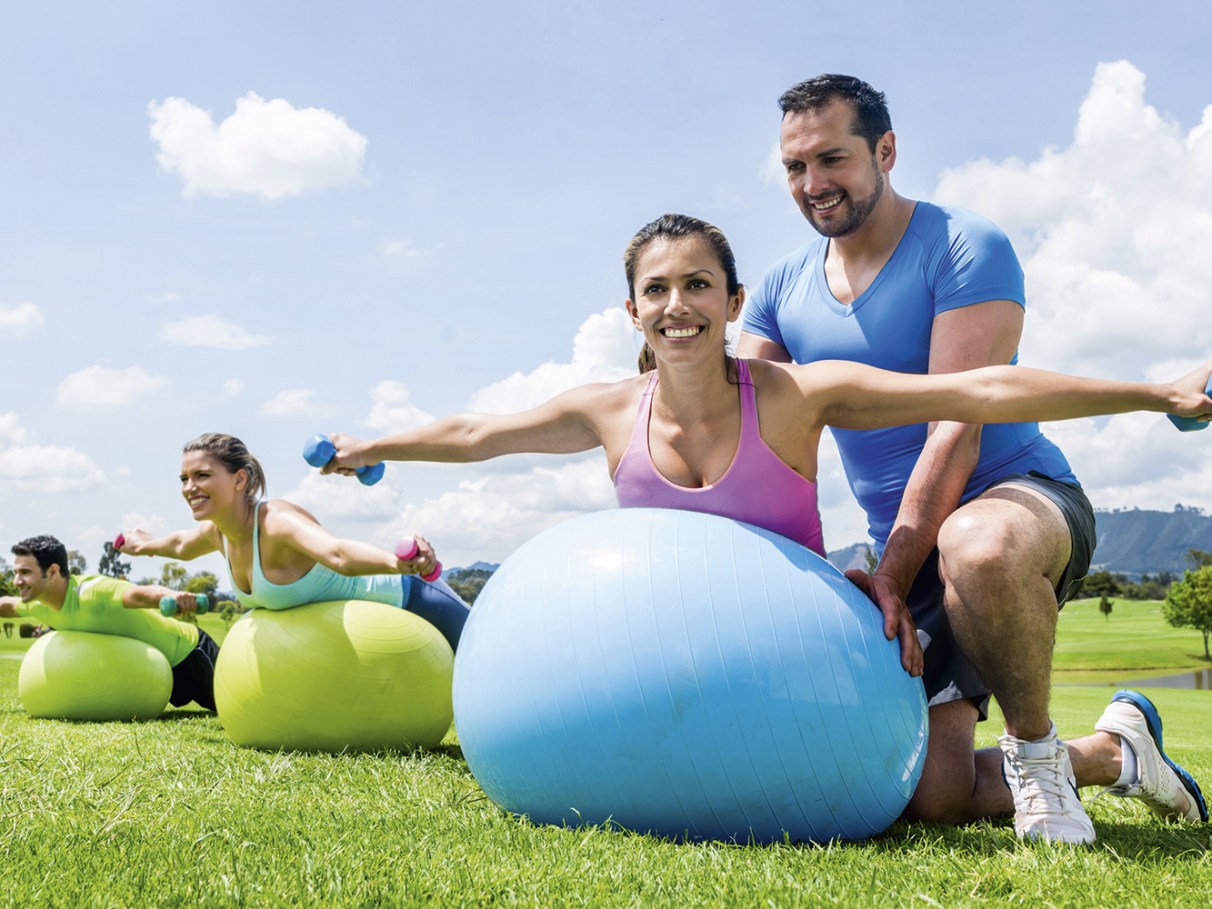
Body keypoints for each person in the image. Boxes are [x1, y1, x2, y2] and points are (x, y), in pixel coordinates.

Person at [318, 212, 1209, 845]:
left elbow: (978, 390)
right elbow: (477, 433)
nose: (678, 306)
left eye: (698, 284)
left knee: (927, 799)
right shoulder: (607, 410)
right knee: (922, 798)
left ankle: (1107, 750)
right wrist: (371, 442)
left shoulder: (794, 394)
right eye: (656, 289)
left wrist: (1155, 392)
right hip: (678, 665)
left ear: (734, 299)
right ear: (631, 310)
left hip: (799, 655)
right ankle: (1114, 751)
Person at [736, 73, 1208, 843]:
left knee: (977, 545)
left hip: (1016, 499)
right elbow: (751, 430)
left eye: (833, 158)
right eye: (795, 167)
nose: (813, 184)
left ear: (885, 150)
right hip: (903, 544)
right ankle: (1118, 750)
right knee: (933, 797)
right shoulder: (779, 291)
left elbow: (957, 423)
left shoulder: (964, 244)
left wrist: (889, 573)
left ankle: (1036, 761)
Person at [116, 433, 470, 653]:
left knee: (489, 659)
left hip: (410, 598)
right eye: (184, 478)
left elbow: (338, 553)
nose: (189, 487)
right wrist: (142, 543)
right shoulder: (218, 532)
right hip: (366, 641)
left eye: (202, 475)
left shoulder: (275, 522)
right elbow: (179, 546)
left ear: (239, 480)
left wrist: (399, 564)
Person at [0, 534, 218, 711]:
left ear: (53, 571)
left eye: (25, 573)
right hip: (149, 674)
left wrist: (172, 596)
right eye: (16, 573)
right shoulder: (38, 603)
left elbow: (138, 594)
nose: (16, 581)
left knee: (231, 707)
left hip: (189, 654)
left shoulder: (92, 591)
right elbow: (8, 606)